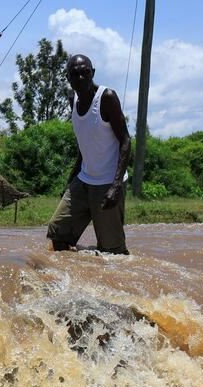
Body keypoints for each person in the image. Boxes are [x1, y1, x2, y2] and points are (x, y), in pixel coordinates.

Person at [46, 54, 132, 255]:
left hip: (108, 183)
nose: (81, 78)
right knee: (58, 233)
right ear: (68, 78)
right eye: (75, 74)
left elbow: (126, 141)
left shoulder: (106, 98)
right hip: (83, 180)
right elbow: (84, 144)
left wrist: (116, 185)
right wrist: (71, 180)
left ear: (92, 73)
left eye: (85, 72)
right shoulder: (72, 99)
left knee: (113, 253)